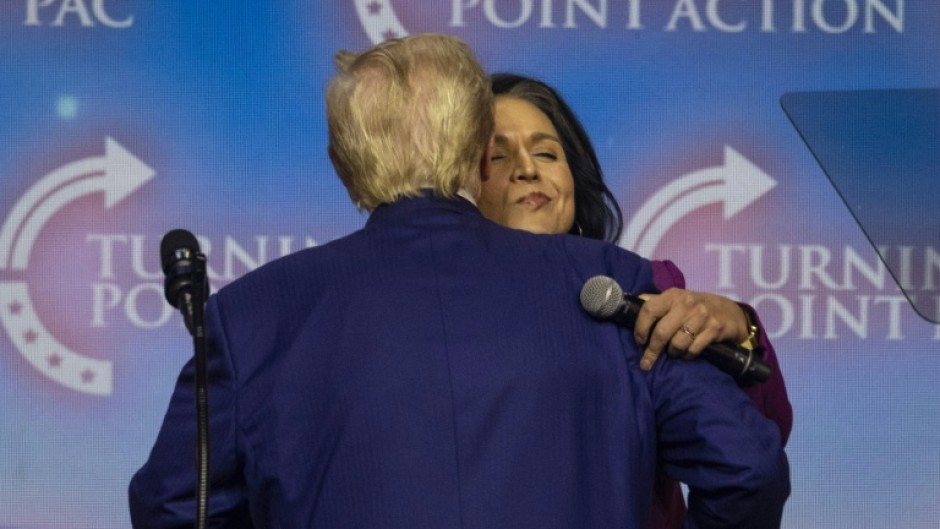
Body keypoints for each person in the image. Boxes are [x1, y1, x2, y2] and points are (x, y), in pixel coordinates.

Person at [128, 34, 788, 528]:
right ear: (477, 152)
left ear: (342, 163)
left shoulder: (250, 317)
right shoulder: (610, 284)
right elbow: (746, 469)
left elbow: (173, 505)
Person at [478, 72, 793, 528]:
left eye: (547, 152)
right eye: (497, 155)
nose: (528, 168)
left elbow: (755, 451)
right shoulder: (430, 309)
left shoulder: (643, 296)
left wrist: (740, 328)